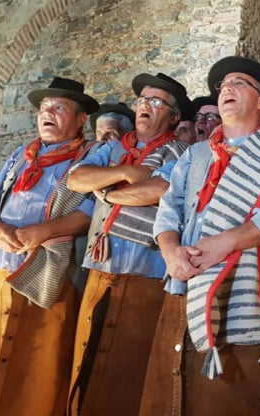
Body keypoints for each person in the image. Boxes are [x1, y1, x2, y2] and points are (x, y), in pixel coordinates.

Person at [139, 56, 260, 416]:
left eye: (239, 83)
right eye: (222, 86)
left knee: (230, 398)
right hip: (184, 284)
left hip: (245, 289)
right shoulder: (195, 155)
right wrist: (171, 252)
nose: (226, 89)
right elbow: (170, 208)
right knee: (169, 392)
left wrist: (220, 244)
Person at [66, 72, 191, 416]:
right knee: (83, 364)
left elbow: (159, 190)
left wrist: (103, 189)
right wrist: (122, 175)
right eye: (141, 100)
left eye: (156, 102)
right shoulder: (114, 147)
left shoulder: (180, 151)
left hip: (146, 274)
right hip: (99, 270)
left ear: (175, 116)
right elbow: (77, 178)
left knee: (127, 370)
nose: (145, 107)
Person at [0, 76, 99, 416]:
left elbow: (90, 212)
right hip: (1, 271)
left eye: (58, 108)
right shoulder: (21, 157)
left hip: (50, 278)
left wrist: (40, 232)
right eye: (43, 108)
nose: (47, 114)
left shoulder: (91, 157)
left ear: (81, 119)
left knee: (38, 367)